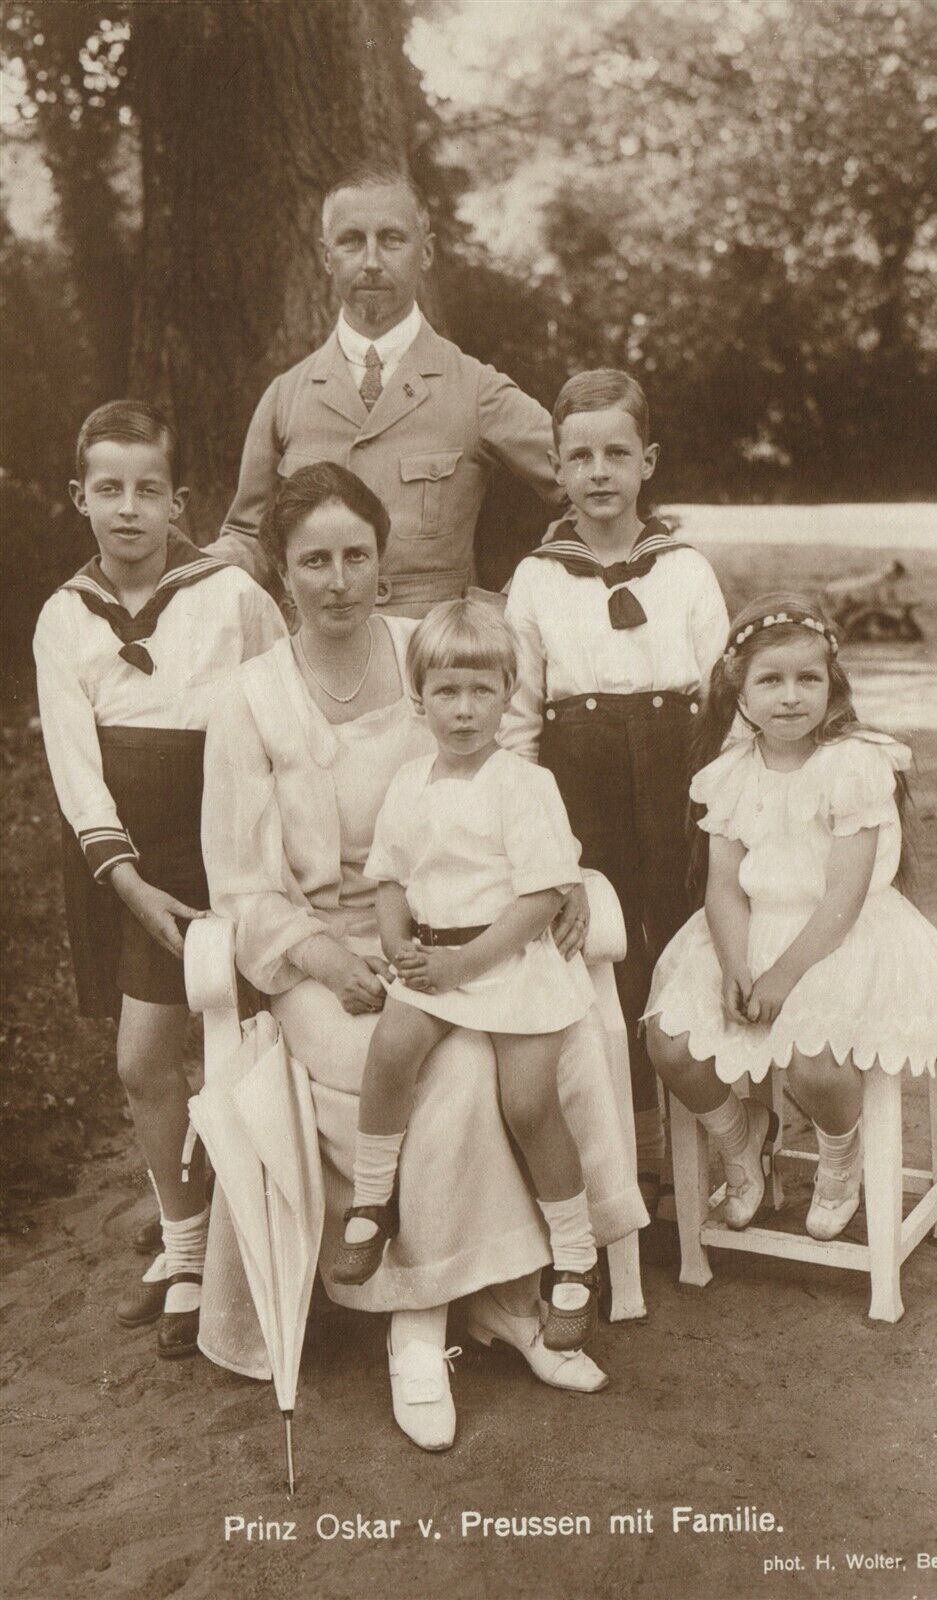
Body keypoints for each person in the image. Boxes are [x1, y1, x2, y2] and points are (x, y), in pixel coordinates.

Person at [199, 462, 647, 1451]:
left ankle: (492, 1295)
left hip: (465, 930)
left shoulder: (431, 654)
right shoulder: (251, 699)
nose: (338, 578)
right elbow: (238, 882)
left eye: (356, 555)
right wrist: (318, 953)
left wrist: (556, 876)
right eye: (314, 559)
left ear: (382, 560)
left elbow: (502, 778)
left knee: (507, 1047)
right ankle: (421, 1324)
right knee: (431, 1066)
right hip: (324, 949)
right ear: (282, 572)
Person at [32, 400, 286, 1359]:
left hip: (227, 839)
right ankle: (185, 1245)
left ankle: (251, 1237)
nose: (129, 508)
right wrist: (127, 881)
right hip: (129, 862)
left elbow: (281, 701)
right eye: (109, 490)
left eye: (148, 489)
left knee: (246, 1041)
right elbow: (73, 765)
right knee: (144, 1058)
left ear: (179, 501)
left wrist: (265, 847)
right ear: (80, 499)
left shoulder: (229, 595)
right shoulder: (64, 617)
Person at [644, 593, 937, 1239]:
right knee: (669, 1043)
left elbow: (841, 898)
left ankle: (838, 1155)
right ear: (738, 692)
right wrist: (737, 966)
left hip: (840, 937)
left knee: (816, 1055)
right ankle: (740, 1140)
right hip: (749, 929)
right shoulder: (728, 775)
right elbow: (724, 890)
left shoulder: (852, 764)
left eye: (806, 679)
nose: (789, 696)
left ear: (831, 685)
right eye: (770, 680)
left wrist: (781, 978)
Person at [333, 600, 601, 1353]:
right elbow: (388, 879)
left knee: (527, 1102)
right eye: (445, 692)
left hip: (506, 962)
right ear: (418, 700)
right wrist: (398, 946)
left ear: (509, 693)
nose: (462, 710)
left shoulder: (521, 783)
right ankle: (372, 1199)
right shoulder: (408, 783)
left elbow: (543, 894)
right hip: (434, 961)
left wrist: (465, 963)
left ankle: (575, 1254)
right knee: (391, 1050)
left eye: (481, 691)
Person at [502, 369, 730, 1217]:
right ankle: (634, 1155)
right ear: (556, 469)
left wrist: (726, 806)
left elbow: (724, 699)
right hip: (580, 774)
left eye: (616, 454)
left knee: (688, 939)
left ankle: (714, 1140)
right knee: (605, 950)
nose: (598, 472)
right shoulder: (536, 579)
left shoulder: (685, 570)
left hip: (678, 769)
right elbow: (519, 717)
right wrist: (534, 835)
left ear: (648, 463)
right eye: (579, 457)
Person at [208, 160, 558, 614]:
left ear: (426, 253)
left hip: (432, 666)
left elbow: (588, 491)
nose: (372, 261)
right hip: (317, 660)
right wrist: (192, 570)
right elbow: (247, 538)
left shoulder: (475, 388)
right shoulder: (285, 396)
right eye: (352, 241)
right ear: (326, 257)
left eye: (392, 240)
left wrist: (516, 599)